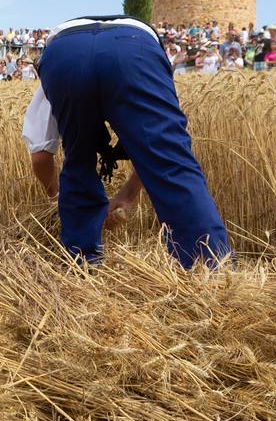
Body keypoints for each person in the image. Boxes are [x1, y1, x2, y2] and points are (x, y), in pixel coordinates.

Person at [22, 15, 230, 269]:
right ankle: (208, 268)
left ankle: (81, 269)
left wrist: (57, 194)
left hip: (65, 51)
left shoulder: (52, 70)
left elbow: (40, 156)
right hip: (135, 45)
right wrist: (128, 194)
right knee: (170, 161)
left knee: (77, 161)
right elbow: (157, 152)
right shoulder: (146, 53)